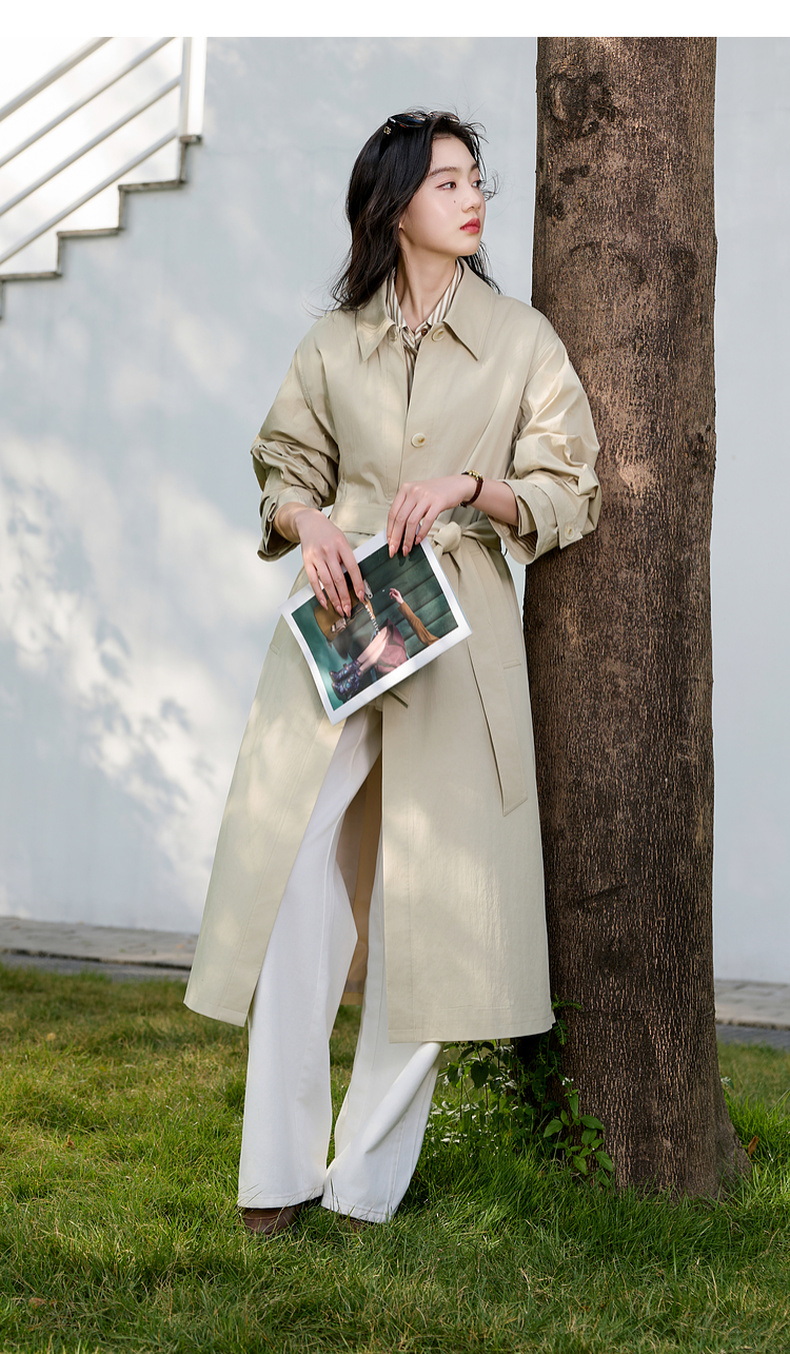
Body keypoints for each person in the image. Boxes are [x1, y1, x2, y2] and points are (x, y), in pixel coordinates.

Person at [184, 109, 601, 1236]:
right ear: (394, 205)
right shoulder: (333, 344)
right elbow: (282, 461)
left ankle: (364, 1185)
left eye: (475, 179)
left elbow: (569, 486)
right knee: (293, 878)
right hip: (342, 617)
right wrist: (309, 519)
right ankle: (276, 1175)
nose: (472, 198)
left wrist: (471, 488)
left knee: (437, 909)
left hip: (457, 631)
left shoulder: (521, 340)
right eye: (447, 182)